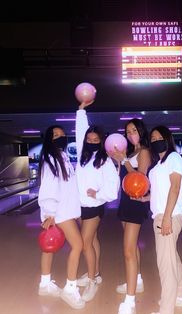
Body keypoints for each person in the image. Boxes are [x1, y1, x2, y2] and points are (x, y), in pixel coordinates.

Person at [75, 101, 120, 302]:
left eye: (95, 139)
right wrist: (81, 110)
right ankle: (97, 273)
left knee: (85, 243)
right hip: (80, 206)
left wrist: (98, 194)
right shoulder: (81, 156)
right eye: (89, 138)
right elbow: (80, 131)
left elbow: (113, 188)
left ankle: (92, 280)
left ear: (101, 142)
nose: (91, 141)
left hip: (94, 207)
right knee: (92, 241)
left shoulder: (105, 160)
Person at [38, 125, 85, 310]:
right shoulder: (51, 158)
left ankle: (44, 284)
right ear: (49, 139)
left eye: (62, 135)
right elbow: (49, 185)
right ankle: (70, 288)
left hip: (63, 209)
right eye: (55, 135)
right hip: (59, 211)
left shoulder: (62, 156)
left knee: (49, 248)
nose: (60, 137)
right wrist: (49, 212)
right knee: (78, 245)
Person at [111, 118, 151, 314]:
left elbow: (140, 178)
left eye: (134, 130)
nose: (130, 134)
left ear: (141, 131)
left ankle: (130, 300)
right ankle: (138, 281)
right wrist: (121, 160)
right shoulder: (131, 152)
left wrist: (124, 161)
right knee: (132, 247)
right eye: (127, 131)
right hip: (125, 201)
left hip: (136, 202)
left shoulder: (143, 152)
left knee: (127, 251)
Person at [147, 125, 182, 314]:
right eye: (153, 139)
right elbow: (161, 192)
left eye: (159, 138)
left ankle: (166, 310)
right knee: (172, 259)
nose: (156, 141)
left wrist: (166, 218)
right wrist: (145, 198)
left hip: (168, 216)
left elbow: (175, 188)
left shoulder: (173, 157)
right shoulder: (159, 164)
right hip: (163, 214)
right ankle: (181, 296)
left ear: (167, 138)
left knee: (165, 264)